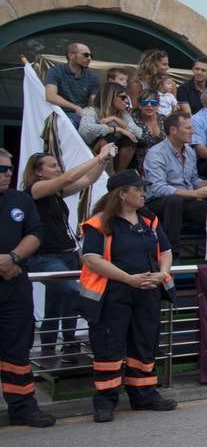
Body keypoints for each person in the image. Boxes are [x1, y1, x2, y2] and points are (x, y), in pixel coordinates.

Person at [77, 170, 178, 422]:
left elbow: (165, 251)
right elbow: (91, 258)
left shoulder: (148, 220)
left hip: (147, 292)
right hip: (114, 293)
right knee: (109, 348)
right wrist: (128, 279)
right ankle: (105, 400)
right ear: (122, 194)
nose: (144, 193)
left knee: (145, 343)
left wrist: (162, 273)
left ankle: (144, 394)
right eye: (138, 189)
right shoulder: (99, 222)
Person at [22, 146, 117, 366]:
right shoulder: (35, 189)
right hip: (45, 257)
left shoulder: (55, 192)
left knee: (56, 305)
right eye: (52, 165)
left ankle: (60, 347)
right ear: (38, 172)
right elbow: (69, 177)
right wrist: (98, 157)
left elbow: (86, 180)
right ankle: (69, 343)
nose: (58, 169)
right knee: (75, 295)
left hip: (67, 254)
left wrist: (103, 162)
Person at [1, 148, 58, 427]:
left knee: (17, 349)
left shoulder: (21, 200)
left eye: (9, 168)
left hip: (14, 283)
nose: (8, 173)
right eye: (2, 169)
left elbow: (35, 233)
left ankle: (22, 406)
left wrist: (13, 258)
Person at [143, 112, 207, 251]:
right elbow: (157, 188)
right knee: (174, 201)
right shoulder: (156, 153)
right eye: (188, 128)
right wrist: (194, 194)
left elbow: (193, 180)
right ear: (173, 130)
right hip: (159, 202)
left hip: (186, 200)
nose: (192, 131)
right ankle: (171, 252)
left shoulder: (189, 151)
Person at [79, 84, 140, 172]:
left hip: (116, 153)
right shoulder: (91, 111)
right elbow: (86, 129)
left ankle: (119, 175)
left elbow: (138, 133)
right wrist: (116, 129)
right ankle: (110, 175)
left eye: (127, 98)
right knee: (108, 141)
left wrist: (115, 119)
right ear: (110, 97)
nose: (126, 101)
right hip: (92, 152)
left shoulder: (123, 115)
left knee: (130, 141)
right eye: (123, 97)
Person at [45, 41, 103, 128]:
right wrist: (76, 108)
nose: (89, 58)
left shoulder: (93, 77)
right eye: (86, 55)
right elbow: (50, 96)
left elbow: (93, 101)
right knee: (68, 124)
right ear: (71, 55)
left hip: (81, 116)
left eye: (91, 56)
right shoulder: (55, 71)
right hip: (57, 113)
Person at [130, 89, 167, 171]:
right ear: (139, 105)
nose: (149, 105)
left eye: (153, 103)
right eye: (145, 103)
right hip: (140, 162)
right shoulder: (133, 119)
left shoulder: (164, 120)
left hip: (163, 160)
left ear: (158, 105)